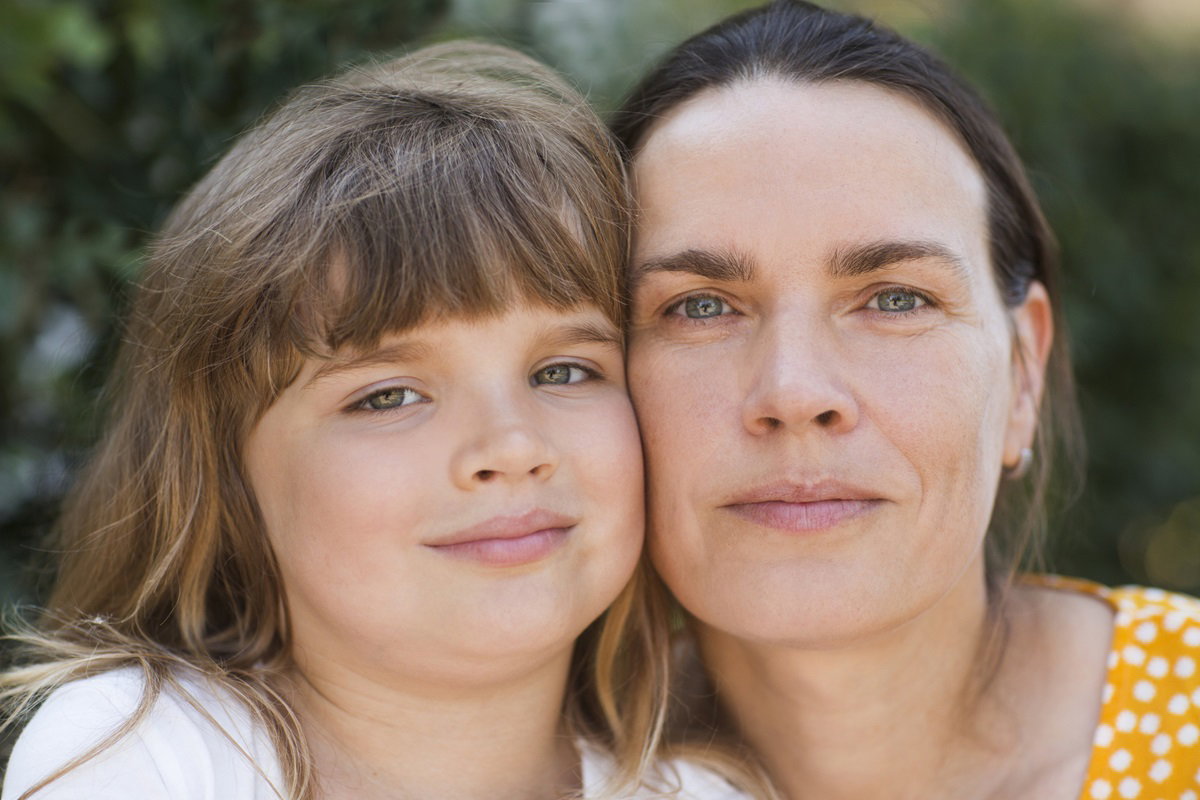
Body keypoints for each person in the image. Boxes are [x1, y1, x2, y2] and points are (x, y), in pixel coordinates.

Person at [0, 41, 742, 800]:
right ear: (226, 470)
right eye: (388, 396)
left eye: (563, 372)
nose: (514, 446)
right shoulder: (143, 756)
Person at [610, 1, 1200, 798]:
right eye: (700, 307)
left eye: (896, 299)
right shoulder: (530, 775)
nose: (794, 393)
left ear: (1023, 372)